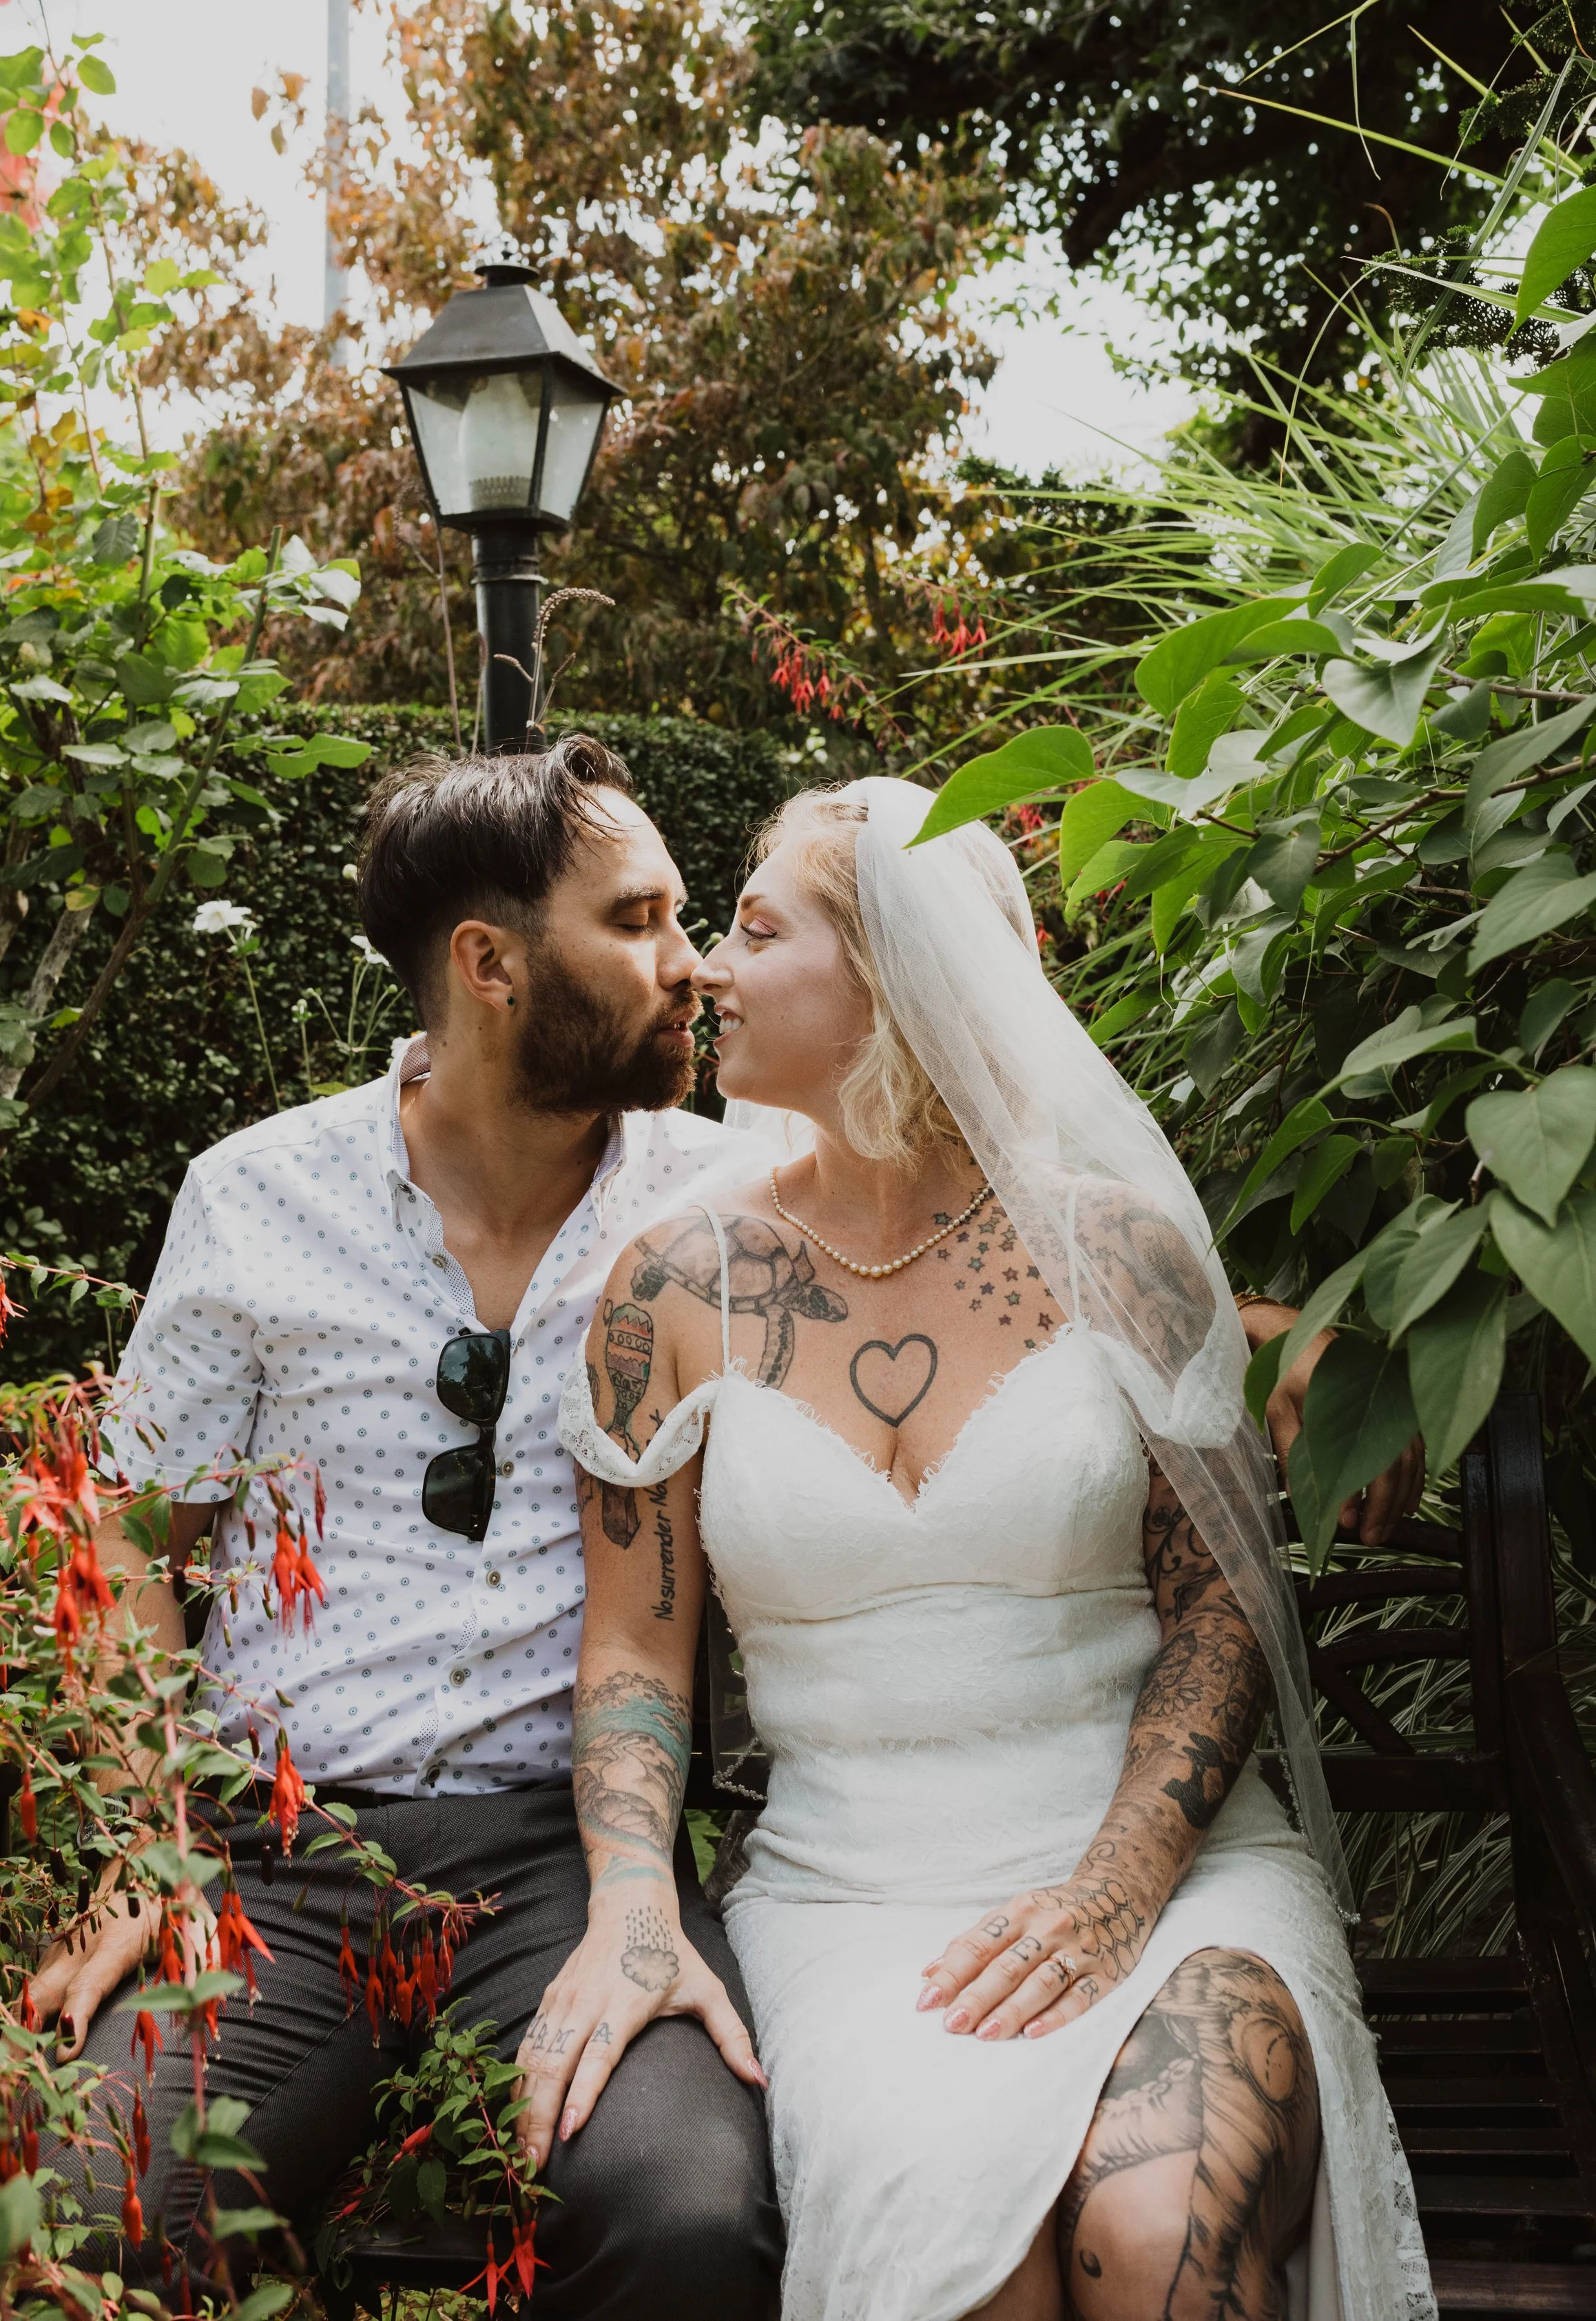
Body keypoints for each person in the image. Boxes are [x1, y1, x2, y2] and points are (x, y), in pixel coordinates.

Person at [530, 777, 1435, 2321]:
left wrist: (1115, 1887)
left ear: (892, 978)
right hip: (847, 1901)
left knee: (1158, 2233)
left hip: (1168, 1870)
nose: (706, 970)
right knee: (967, 2275)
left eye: (752, 930)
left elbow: (1218, 1599)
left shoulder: (1118, 1253)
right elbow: (629, 1644)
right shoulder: (670, 1289)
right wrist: (631, 1899)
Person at [30, 739, 780, 2319]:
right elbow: (129, 1551)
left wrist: (1269, 1328)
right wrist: (143, 1844)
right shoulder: (254, 1197)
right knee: (82, 2213)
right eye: (637, 921)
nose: (690, 963)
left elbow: (989, 1240)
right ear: (489, 963)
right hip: (271, 1863)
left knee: (686, 2216)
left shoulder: (731, 1197)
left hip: (565, 1860)